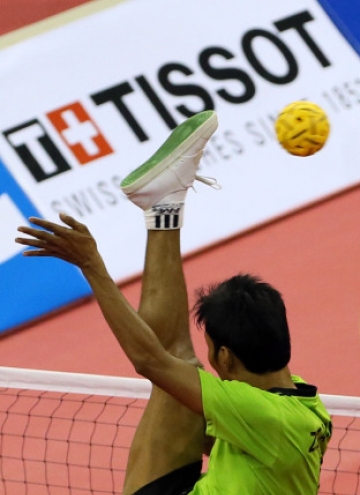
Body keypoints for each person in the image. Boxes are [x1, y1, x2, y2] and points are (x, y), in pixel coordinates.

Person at [15, 110, 332, 495]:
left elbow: (149, 361)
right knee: (178, 372)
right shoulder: (302, 403)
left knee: (174, 363)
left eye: (213, 350)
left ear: (226, 358)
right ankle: (164, 206)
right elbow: (218, 432)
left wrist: (92, 267)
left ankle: (165, 206)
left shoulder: (259, 412)